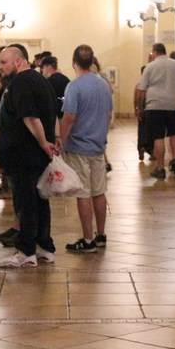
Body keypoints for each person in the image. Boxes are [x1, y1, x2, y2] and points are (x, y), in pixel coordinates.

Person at [0, 45, 59, 268]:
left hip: (24, 155)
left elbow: (30, 117)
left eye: (4, 62)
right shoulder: (41, 80)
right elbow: (53, 113)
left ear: (18, 61)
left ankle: (26, 251)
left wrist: (43, 142)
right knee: (40, 200)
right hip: (35, 155)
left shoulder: (21, 82)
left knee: (26, 203)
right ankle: (44, 247)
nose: (1, 67)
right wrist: (54, 138)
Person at [57, 44, 113, 253]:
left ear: (74, 63)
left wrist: (61, 140)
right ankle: (101, 235)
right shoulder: (103, 85)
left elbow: (69, 117)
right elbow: (108, 114)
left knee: (83, 193)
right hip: (98, 145)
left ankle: (88, 240)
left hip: (79, 145)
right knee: (99, 191)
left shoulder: (74, 86)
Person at [137, 42, 175, 179]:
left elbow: (142, 90)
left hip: (155, 105)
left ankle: (160, 168)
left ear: (154, 52)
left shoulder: (150, 66)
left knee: (158, 137)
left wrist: (140, 107)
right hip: (174, 105)